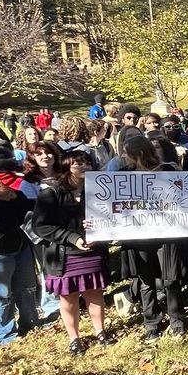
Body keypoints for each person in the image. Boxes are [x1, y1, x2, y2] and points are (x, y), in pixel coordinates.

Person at [31, 146, 111, 355]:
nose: (85, 166)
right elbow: (41, 226)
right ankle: (74, 338)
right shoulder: (51, 193)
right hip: (64, 256)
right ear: (67, 166)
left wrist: (103, 232)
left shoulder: (99, 191)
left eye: (87, 162)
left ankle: (100, 331)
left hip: (93, 252)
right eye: (79, 162)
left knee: (95, 294)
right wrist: (72, 238)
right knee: (69, 297)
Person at [115, 136, 188, 342]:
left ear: (138, 153)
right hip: (138, 237)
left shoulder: (168, 171)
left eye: (126, 153)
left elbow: (184, 199)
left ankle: (176, 319)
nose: (122, 157)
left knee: (170, 279)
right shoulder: (123, 176)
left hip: (167, 234)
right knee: (146, 281)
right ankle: (151, 323)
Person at [0, 160, 38, 345]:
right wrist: (0, 203)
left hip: (21, 247)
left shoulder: (16, 195)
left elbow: (29, 210)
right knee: (0, 294)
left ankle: (30, 322)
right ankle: (2, 335)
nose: (13, 189)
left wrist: (15, 198)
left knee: (27, 288)